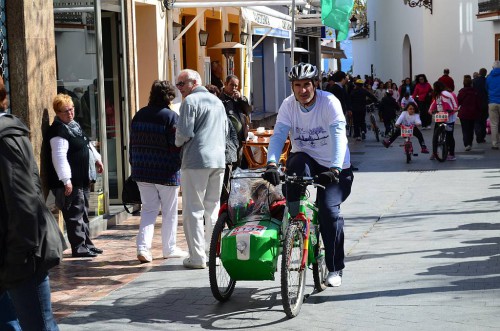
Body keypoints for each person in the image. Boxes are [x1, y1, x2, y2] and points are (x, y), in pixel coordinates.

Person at [263, 63, 354, 287]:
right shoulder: (288, 105)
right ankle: (295, 221)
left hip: (336, 166)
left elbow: (339, 135)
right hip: (306, 159)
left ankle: (334, 268)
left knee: (328, 211)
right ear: (292, 87)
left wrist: (334, 168)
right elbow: (278, 136)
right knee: (295, 166)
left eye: (307, 85)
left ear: (316, 85)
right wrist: (272, 163)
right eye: (297, 86)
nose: (302, 90)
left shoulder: (329, 102)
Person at [1, 78, 64, 330]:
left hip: (22, 255)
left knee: (38, 325)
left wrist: (19, 256)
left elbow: (25, 202)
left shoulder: (6, 139)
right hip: (11, 253)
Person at [175, 69, 227, 269]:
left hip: (196, 160)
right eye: (177, 84)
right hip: (218, 159)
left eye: (182, 83)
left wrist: (177, 140)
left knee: (193, 210)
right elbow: (224, 130)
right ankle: (211, 252)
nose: (179, 88)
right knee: (211, 208)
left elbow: (183, 134)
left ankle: (197, 257)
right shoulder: (217, 101)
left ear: (195, 82)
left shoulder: (190, 102)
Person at [129, 80, 186, 263]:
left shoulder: (139, 115)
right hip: (166, 172)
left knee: (149, 209)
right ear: (169, 96)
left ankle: (143, 248)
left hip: (141, 170)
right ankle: (169, 248)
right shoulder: (171, 117)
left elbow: (132, 144)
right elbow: (175, 145)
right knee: (169, 211)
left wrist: (133, 163)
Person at [45, 94, 104, 258]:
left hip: (82, 180)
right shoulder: (58, 131)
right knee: (75, 215)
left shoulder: (73, 126)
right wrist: (66, 180)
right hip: (70, 182)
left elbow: (86, 144)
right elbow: (59, 157)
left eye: (71, 109)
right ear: (57, 113)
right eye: (65, 111)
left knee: (83, 214)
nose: (70, 113)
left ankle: (86, 244)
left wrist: (97, 160)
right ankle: (79, 247)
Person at [219, 75, 252, 167]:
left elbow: (248, 110)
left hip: (240, 137)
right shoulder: (220, 99)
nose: (234, 88)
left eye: (236, 86)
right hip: (228, 139)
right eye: (231, 85)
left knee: (239, 162)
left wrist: (241, 98)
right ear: (225, 84)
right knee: (230, 164)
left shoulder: (238, 99)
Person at [428, 81, 459, 160]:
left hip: (449, 116)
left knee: (445, 135)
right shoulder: (438, 95)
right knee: (446, 135)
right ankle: (447, 154)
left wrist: (455, 108)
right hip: (442, 116)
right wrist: (431, 109)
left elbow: (453, 97)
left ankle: (447, 153)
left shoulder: (445, 93)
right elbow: (435, 103)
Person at [457, 75, 481, 151]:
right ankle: (470, 143)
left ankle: (466, 143)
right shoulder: (475, 92)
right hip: (473, 113)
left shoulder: (461, 92)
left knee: (465, 129)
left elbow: (458, 102)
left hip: (463, 113)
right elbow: (478, 103)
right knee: (471, 129)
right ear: (471, 84)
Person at [486, 61, 500, 150]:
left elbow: (486, 89)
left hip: (492, 102)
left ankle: (494, 144)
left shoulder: (489, 77)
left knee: (494, 124)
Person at [473, 68, 489, 144]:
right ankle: (482, 137)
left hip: (476, 104)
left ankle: (478, 135)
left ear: (479, 73)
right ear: (485, 74)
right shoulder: (487, 81)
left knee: (477, 121)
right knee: (483, 121)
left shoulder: (474, 81)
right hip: (485, 104)